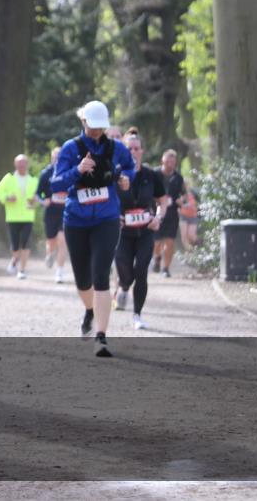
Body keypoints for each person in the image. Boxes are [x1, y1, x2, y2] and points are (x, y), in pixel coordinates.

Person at [51, 101, 134, 357]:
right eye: (93, 126)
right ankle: (89, 311)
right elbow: (55, 184)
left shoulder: (116, 148)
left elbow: (130, 167)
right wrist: (77, 171)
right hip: (76, 220)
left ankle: (101, 336)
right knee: (83, 280)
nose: (97, 132)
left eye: (101, 127)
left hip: (107, 219)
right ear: (83, 122)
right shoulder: (70, 149)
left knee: (100, 275)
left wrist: (124, 179)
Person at [114, 129, 169, 329]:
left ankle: (137, 314)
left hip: (145, 231)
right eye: (130, 148)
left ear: (142, 151)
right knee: (125, 269)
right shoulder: (117, 174)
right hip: (122, 233)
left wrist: (159, 217)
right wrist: (114, 216)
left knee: (141, 271)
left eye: (137, 148)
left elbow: (163, 201)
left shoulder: (150, 175)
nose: (134, 152)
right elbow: (108, 199)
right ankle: (123, 285)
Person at [0, 154, 38, 280]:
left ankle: (22, 270)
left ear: (27, 164)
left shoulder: (34, 180)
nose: (21, 165)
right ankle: (15, 259)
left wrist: (36, 199)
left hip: (28, 216)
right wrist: (7, 198)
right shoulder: (8, 178)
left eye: (24, 162)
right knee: (14, 245)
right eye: (19, 163)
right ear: (15, 164)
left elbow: (41, 193)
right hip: (12, 217)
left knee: (25, 243)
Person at [36, 147, 69, 283]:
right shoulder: (46, 173)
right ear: (52, 158)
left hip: (65, 211)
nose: (57, 159)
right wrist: (44, 201)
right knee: (51, 241)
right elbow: (37, 193)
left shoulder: (69, 172)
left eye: (60, 157)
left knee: (63, 240)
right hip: (51, 212)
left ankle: (59, 272)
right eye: (55, 156)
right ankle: (49, 253)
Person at [152, 149, 184, 277]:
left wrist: (181, 200)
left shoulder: (178, 178)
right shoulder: (154, 174)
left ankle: (166, 268)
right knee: (157, 242)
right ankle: (157, 258)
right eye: (168, 160)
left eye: (173, 161)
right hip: (157, 213)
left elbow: (183, 194)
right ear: (162, 160)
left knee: (170, 242)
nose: (170, 163)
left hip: (171, 213)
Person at [178, 182, 200, 251]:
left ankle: (199, 248)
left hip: (193, 216)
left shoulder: (193, 193)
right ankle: (189, 253)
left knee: (191, 236)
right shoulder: (179, 194)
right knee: (184, 236)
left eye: (186, 185)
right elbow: (178, 204)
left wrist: (194, 206)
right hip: (183, 216)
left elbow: (197, 203)